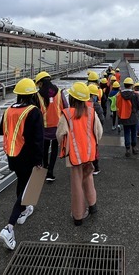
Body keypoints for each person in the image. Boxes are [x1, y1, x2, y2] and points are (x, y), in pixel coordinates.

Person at [0, 78, 44, 250]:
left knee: (22, 182)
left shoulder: (9, 110)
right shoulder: (34, 112)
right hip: (28, 157)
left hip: (12, 155)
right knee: (28, 188)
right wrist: (39, 161)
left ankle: (24, 211)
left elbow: (2, 130)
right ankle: (9, 227)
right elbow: (38, 140)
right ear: (32, 95)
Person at [56, 82, 103, 225]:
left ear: (72, 98)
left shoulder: (67, 114)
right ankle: (93, 205)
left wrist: (65, 146)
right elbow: (99, 133)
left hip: (75, 156)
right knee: (88, 179)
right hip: (89, 154)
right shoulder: (92, 112)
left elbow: (59, 134)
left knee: (76, 185)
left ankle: (78, 216)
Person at [34, 71, 64, 182]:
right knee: (55, 148)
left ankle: (45, 168)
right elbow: (64, 107)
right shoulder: (59, 92)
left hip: (43, 127)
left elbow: (35, 112)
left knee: (45, 148)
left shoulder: (37, 95)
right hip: (57, 125)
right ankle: (50, 172)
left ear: (41, 82)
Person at [116, 77, 139, 157]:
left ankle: (127, 149)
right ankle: (134, 147)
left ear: (124, 85)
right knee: (133, 132)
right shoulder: (135, 95)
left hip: (124, 116)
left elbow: (117, 105)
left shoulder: (120, 95)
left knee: (126, 132)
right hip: (133, 116)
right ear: (131, 85)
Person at [88, 84, 104, 175]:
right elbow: (101, 119)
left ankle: (88, 165)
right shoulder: (96, 106)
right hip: (94, 132)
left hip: (84, 132)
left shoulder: (81, 105)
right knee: (94, 149)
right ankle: (95, 167)